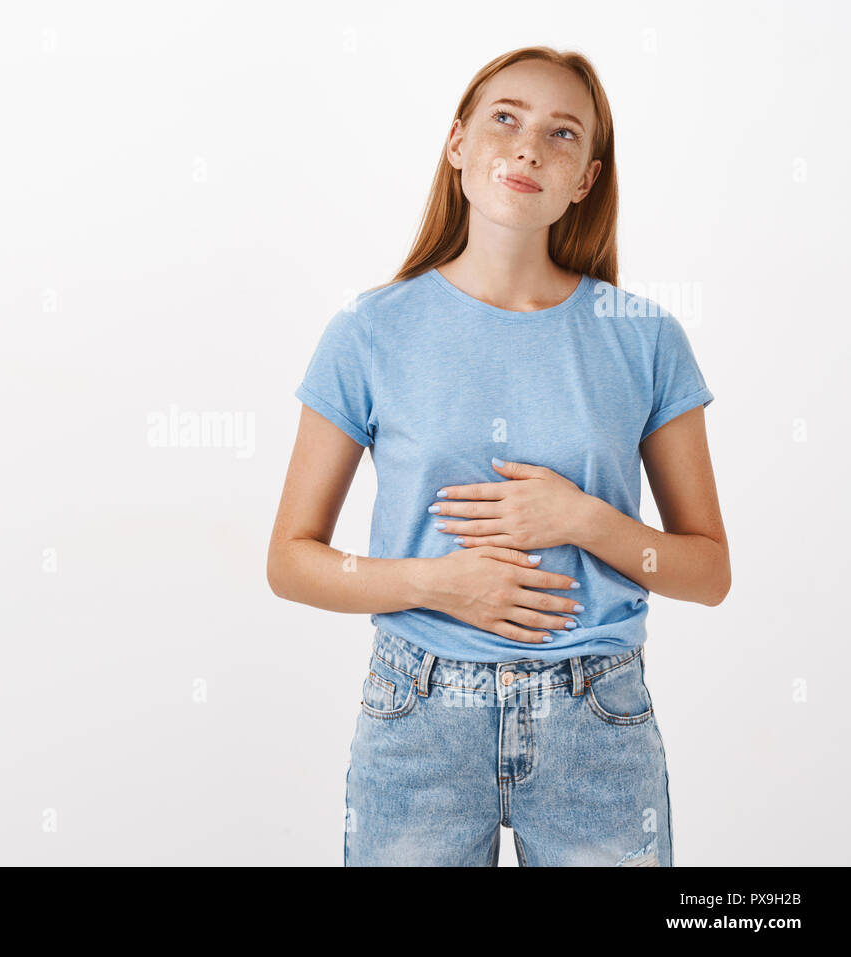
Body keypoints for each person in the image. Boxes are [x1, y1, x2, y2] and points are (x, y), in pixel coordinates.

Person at [266, 46, 729, 867]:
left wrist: (583, 518)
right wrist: (439, 583)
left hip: (598, 719)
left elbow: (707, 571)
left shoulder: (643, 337)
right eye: (505, 120)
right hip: (419, 712)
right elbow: (290, 561)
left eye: (561, 135)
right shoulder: (370, 332)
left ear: (584, 178)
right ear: (457, 145)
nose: (527, 149)